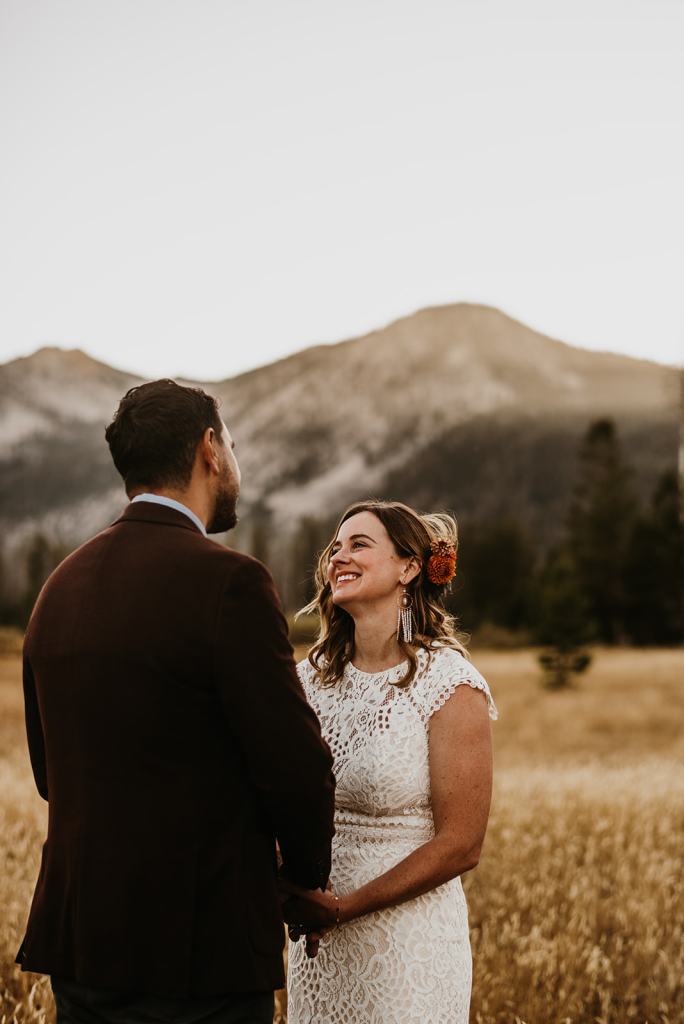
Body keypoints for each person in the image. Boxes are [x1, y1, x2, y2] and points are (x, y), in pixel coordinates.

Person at [16, 379, 336, 1024]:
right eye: (233, 445)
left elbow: (51, 774)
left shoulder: (59, 586)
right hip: (198, 949)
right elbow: (295, 767)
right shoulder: (230, 583)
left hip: (81, 944)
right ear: (209, 449)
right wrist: (303, 877)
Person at [282, 500, 498, 1024]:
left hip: (407, 943)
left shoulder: (449, 683)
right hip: (318, 944)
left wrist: (344, 908)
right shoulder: (309, 679)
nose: (339, 556)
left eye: (359, 545)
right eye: (336, 547)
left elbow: (462, 843)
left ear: (409, 568)